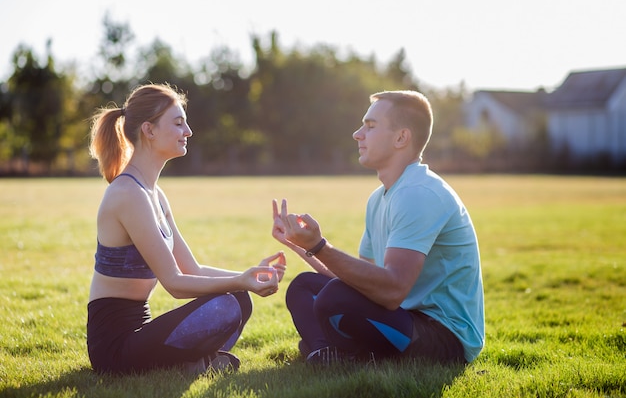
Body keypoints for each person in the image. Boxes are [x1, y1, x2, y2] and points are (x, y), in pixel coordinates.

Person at [272, 90, 484, 365]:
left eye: (370, 126)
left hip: (444, 338)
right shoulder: (379, 198)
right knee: (304, 287)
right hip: (402, 317)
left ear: (401, 138)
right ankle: (324, 355)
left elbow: (393, 290)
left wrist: (319, 246)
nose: (357, 134)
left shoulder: (419, 193)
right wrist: (300, 244)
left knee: (333, 297)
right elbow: (359, 282)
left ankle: (341, 350)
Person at [87, 83, 286, 375]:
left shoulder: (154, 193)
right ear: (149, 130)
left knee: (239, 298)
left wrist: (248, 276)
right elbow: (176, 283)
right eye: (178, 123)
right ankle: (190, 362)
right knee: (229, 303)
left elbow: (190, 268)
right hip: (114, 348)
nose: (188, 131)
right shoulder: (128, 194)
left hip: (141, 332)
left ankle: (189, 362)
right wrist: (241, 281)